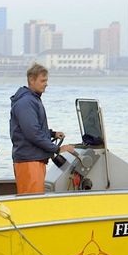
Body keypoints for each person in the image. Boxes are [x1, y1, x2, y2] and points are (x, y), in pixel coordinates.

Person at [9, 63, 76, 194]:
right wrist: (58, 149)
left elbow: (32, 128)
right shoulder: (26, 102)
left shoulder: (33, 99)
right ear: (31, 80)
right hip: (29, 160)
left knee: (33, 199)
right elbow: (32, 133)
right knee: (31, 201)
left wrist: (52, 133)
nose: (46, 84)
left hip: (33, 159)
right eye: (43, 80)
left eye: (46, 80)